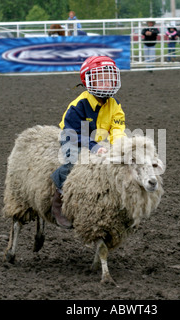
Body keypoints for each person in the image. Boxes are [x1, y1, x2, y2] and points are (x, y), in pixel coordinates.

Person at [50, 56, 126, 228]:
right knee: (72, 162)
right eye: (101, 79)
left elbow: (117, 129)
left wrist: (121, 147)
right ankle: (58, 197)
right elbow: (75, 133)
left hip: (99, 140)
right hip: (74, 138)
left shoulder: (115, 105)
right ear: (88, 81)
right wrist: (93, 147)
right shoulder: (78, 105)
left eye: (109, 78)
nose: (107, 83)